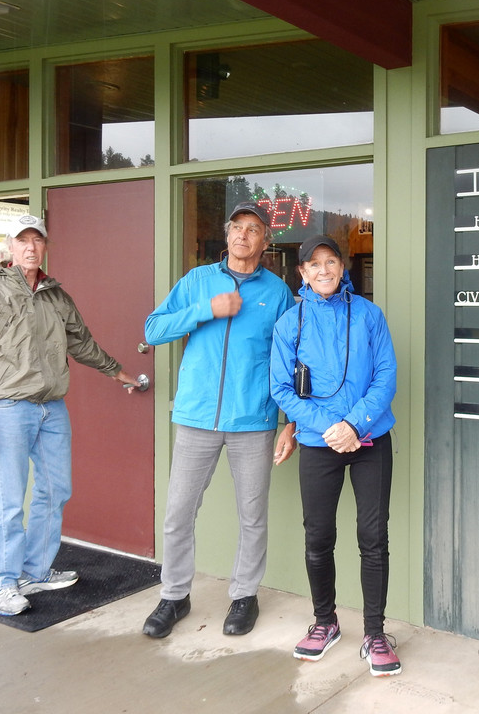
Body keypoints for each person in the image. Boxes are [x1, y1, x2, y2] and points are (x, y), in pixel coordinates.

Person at [0, 214, 140, 617]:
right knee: (8, 500)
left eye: (37, 240)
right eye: (23, 241)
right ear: (9, 248)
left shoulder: (56, 296)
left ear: (45, 246)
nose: (31, 247)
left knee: (55, 491)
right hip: (8, 409)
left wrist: (117, 371)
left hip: (51, 408)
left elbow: (81, 343)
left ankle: (33, 571)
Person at [141, 201, 296, 639]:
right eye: (237, 228)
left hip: (254, 420)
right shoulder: (197, 281)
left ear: (265, 242)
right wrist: (207, 309)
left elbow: (288, 359)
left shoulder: (278, 292)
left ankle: (245, 595)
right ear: (227, 236)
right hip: (196, 417)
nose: (244, 235)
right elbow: (153, 330)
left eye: (254, 229)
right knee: (178, 513)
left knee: (252, 515)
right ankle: (174, 596)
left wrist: (290, 420)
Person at [269, 234, 400, 677]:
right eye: (313, 264)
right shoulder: (291, 323)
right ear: (301, 273)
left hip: (369, 440)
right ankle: (325, 622)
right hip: (318, 442)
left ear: (342, 268)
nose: (323, 270)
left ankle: (375, 633)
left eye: (331, 262)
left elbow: (386, 375)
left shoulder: (368, 315)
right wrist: (329, 428)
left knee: (373, 538)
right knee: (318, 537)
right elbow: (281, 388)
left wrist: (354, 424)